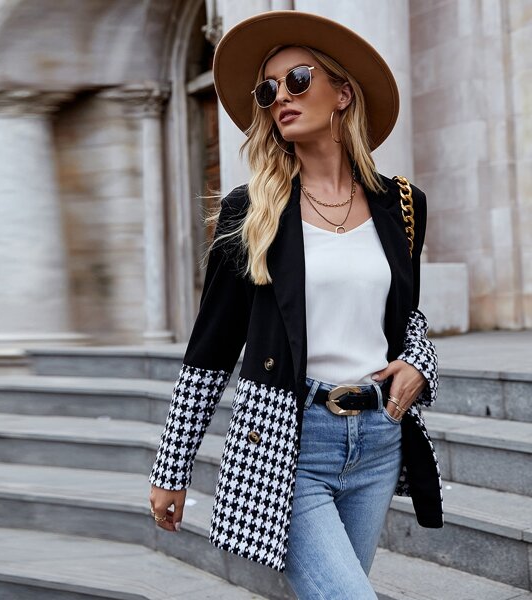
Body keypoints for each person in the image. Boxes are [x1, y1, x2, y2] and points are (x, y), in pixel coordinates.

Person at [148, 10, 443, 599]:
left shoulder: (403, 204)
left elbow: (405, 316)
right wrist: (172, 468)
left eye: (299, 79)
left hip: (379, 437)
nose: (281, 96)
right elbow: (210, 348)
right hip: (290, 442)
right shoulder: (251, 212)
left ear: (343, 93)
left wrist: (420, 362)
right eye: (269, 90)